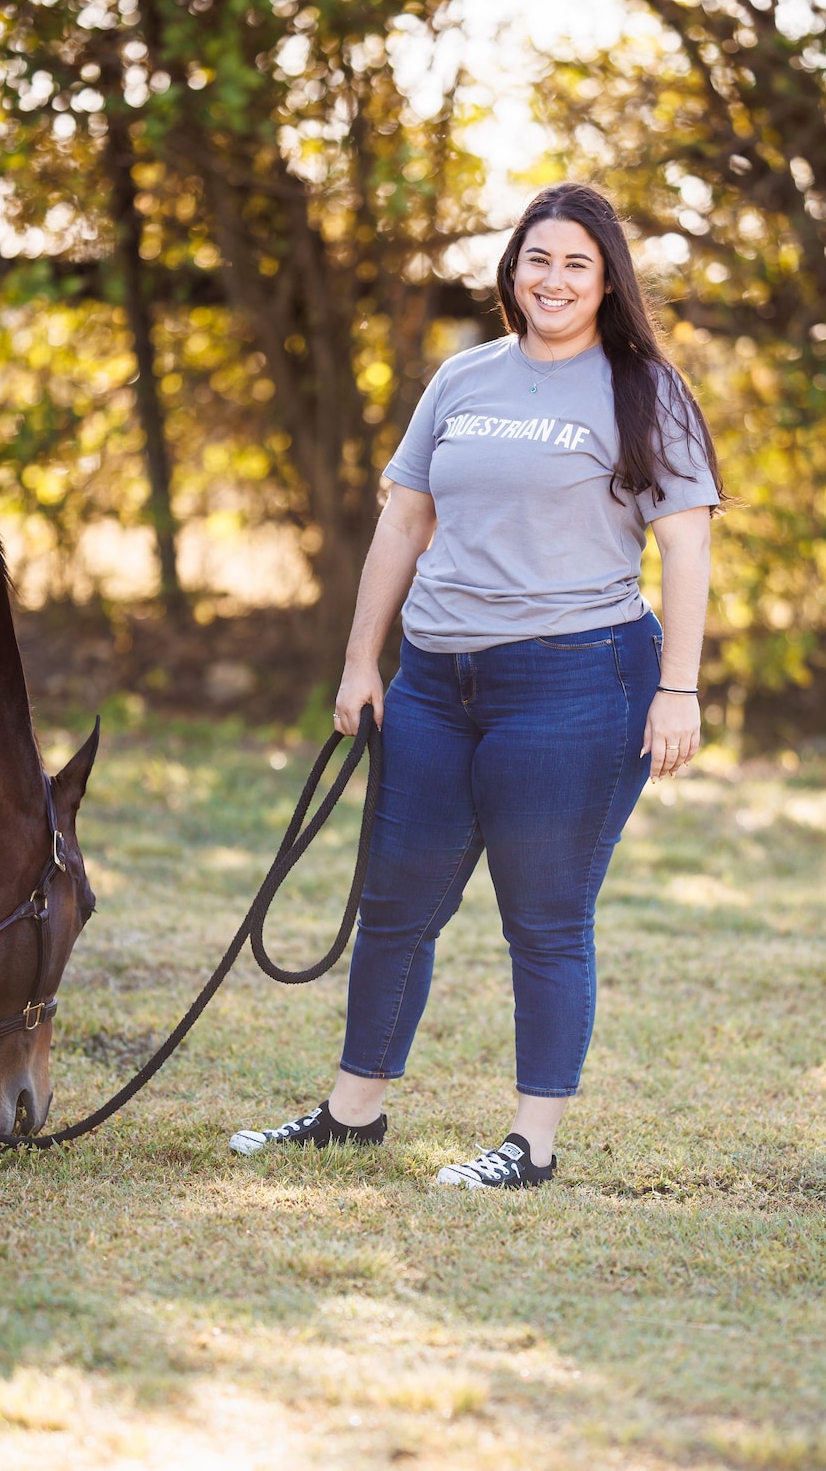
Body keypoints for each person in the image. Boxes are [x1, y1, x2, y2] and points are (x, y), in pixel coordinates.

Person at [230, 182, 724, 1189]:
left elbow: (687, 544)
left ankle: (531, 1145)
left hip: (576, 681)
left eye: (578, 263)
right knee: (396, 902)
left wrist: (680, 688)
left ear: (608, 281)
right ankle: (352, 1113)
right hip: (432, 681)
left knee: (543, 914)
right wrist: (361, 661)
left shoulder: (644, 389)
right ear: (512, 269)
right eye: (538, 258)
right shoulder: (462, 378)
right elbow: (404, 523)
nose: (555, 279)